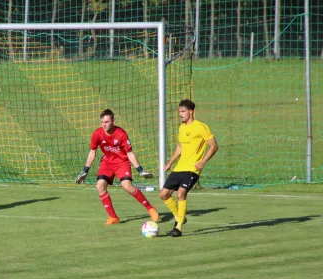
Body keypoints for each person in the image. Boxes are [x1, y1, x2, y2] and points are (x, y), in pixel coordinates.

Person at [75, 109, 159, 225]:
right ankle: (113, 217)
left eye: (107, 122)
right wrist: (85, 171)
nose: (104, 124)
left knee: (127, 186)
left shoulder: (121, 134)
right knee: (100, 185)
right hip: (107, 163)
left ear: (113, 121)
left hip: (122, 162)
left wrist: (140, 170)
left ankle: (150, 208)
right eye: (102, 122)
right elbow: (92, 152)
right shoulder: (97, 134)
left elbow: (129, 153)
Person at [159, 99, 218, 237]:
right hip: (179, 167)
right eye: (179, 111)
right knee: (163, 194)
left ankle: (178, 228)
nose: (180, 114)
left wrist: (202, 162)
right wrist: (170, 163)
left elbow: (214, 146)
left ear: (191, 112)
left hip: (192, 169)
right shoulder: (182, 127)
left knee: (180, 193)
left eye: (183, 111)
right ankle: (180, 217)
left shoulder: (201, 127)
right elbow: (180, 146)